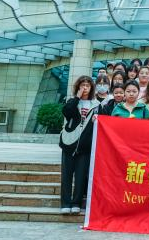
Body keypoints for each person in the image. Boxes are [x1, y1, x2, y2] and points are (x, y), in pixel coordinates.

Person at [59, 76, 100, 214]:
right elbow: (67, 112)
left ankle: (76, 202)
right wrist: (77, 97)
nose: (85, 88)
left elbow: (103, 121)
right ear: (78, 87)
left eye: (88, 85)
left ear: (91, 88)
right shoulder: (72, 101)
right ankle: (65, 203)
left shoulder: (96, 104)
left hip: (85, 145)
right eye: (82, 85)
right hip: (69, 143)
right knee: (66, 175)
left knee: (81, 175)